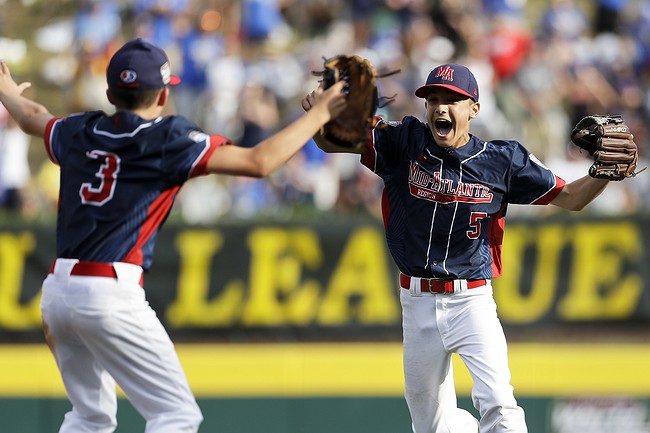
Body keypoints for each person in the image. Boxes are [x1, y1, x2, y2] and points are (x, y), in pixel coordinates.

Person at [0, 38, 346, 433]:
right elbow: (259, 161)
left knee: (89, 417)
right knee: (176, 415)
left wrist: (7, 92)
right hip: (110, 293)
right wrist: (319, 114)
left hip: (58, 293)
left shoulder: (81, 129)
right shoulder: (166, 138)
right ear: (163, 95)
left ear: (111, 93)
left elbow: (32, 116)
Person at [302, 63, 618, 433]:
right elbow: (333, 140)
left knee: (499, 402)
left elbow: (570, 198)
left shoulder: (503, 161)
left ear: (474, 108)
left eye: (453, 99)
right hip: (416, 300)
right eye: (433, 99)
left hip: (472, 300)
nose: (440, 107)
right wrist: (320, 117)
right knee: (430, 424)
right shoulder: (405, 139)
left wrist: (602, 173)